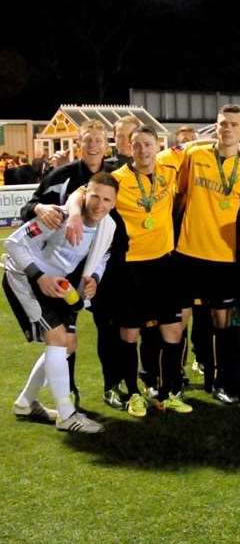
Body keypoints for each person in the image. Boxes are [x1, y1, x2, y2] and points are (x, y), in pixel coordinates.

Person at [20, 120, 128, 409]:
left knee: (108, 328)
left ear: (107, 144)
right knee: (68, 336)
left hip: (100, 268)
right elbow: (28, 208)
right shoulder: (62, 175)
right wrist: (39, 208)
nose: (93, 145)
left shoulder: (115, 175)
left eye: (98, 140)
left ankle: (111, 386)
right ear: (79, 143)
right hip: (63, 272)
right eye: (88, 140)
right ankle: (68, 393)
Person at [6, 173, 118, 433]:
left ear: (114, 203)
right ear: (84, 193)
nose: (99, 204)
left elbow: (102, 257)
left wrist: (95, 280)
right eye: (95, 196)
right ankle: (67, 415)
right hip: (25, 278)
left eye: (106, 200)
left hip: (56, 284)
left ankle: (25, 402)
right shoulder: (57, 217)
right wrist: (39, 276)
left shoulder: (108, 227)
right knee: (56, 338)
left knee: (69, 344)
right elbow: (13, 243)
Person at [169, 104, 240, 404]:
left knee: (221, 321)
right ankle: (174, 380)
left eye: (234, 124)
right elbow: (180, 195)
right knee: (178, 318)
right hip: (187, 252)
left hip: (224, 257)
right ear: (216, 126)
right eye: (223, 124)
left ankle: (221, 381)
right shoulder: (195, 156)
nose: (228, 129)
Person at [109, 125, 190, 416]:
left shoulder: (169, 168)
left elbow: (199, 143)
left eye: (148, 144)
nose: (143, 150)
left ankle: (169, 392)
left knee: (173, 329)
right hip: (131, 266)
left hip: (165, 263)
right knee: (130, 333)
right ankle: (133, 393)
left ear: (158, 146)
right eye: (137, 145)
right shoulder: (117, 179)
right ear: (129, 149)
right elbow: (85, 195)